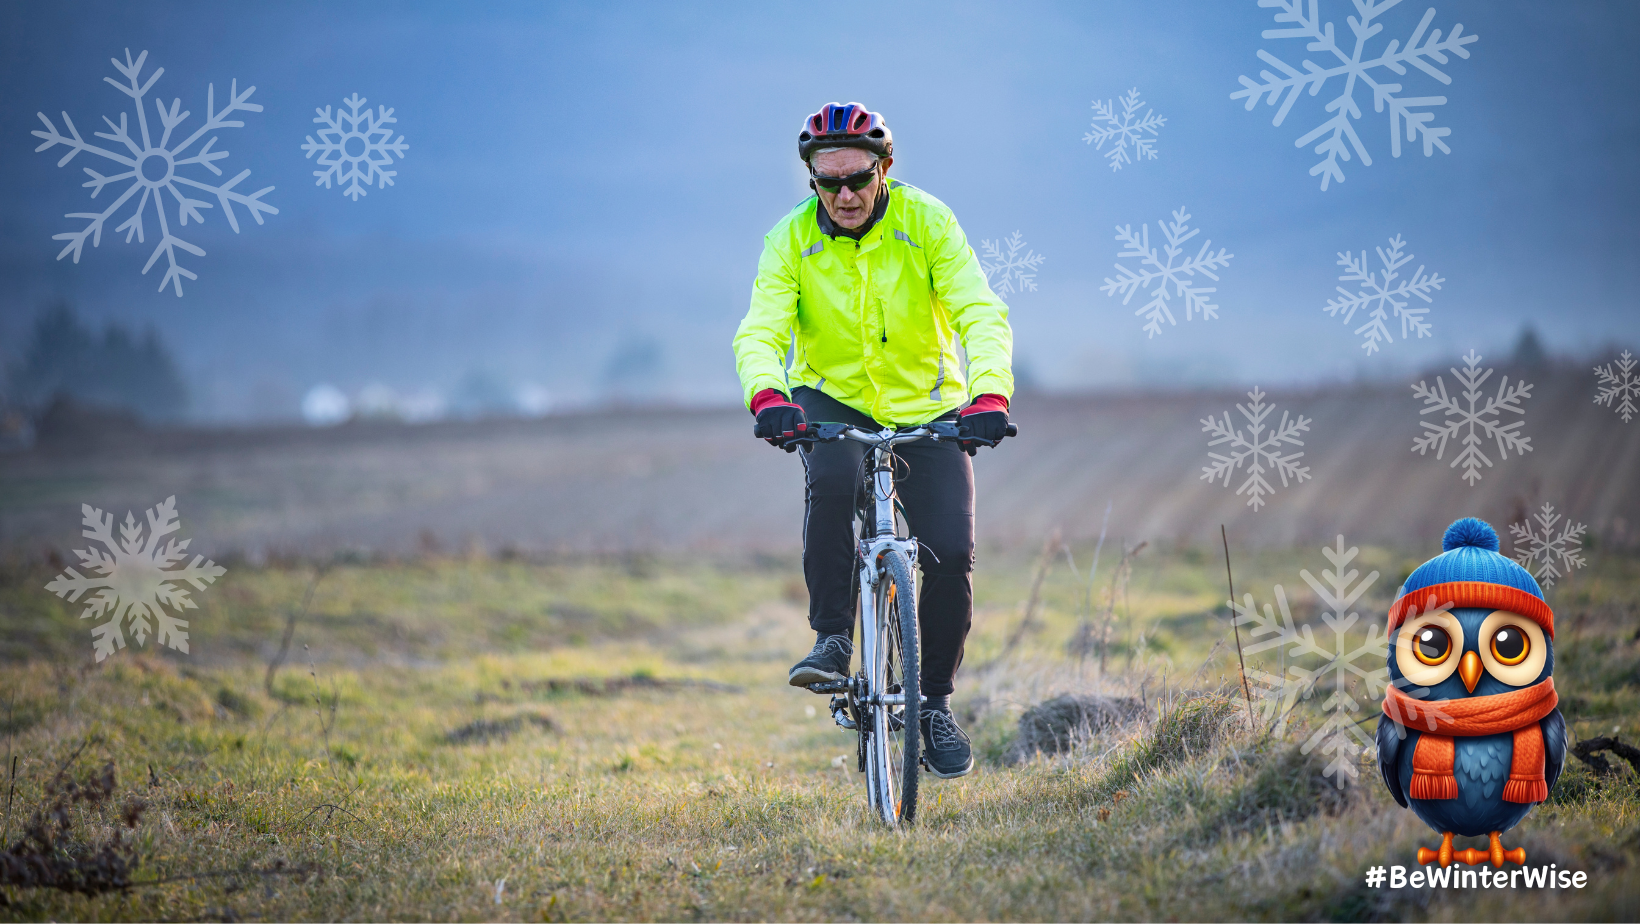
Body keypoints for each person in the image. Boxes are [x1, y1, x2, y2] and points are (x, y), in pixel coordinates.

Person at [731, 102, 1014, 778]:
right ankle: (832, 640)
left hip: (929, 405)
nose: (845, 196)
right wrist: (768, 396)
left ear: (885, 168)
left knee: (950, 552)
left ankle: (934, 703)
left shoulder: (929, 223)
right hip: (831, 400)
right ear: (812, 180)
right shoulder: (789, 240)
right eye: (828, 183)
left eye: (858, 179)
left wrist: (990, 394)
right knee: (831, 483)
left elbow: (979, 310)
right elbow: (762, 330)